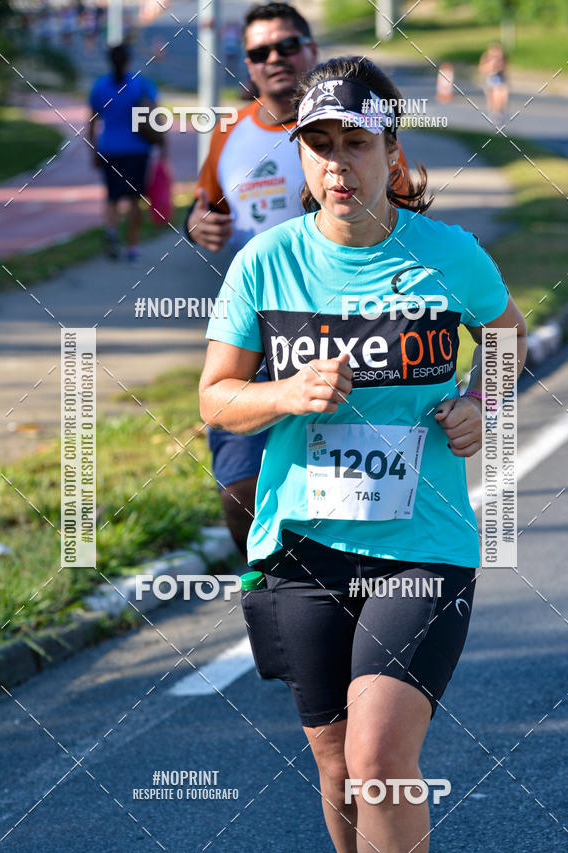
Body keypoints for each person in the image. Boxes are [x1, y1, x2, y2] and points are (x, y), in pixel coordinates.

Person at [199, 57, 527, 853]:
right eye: (319, 146)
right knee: (338, 763)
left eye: (356, 143)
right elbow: (217, 397)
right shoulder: (265, 264)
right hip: (304, 544)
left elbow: (507, 339)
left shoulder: (449, 255)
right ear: (299, 156)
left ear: (392, 152)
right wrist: (284, 391)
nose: (337, 165)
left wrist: (482, 404)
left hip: (424, 542)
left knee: (381, 754)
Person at [187, 2, 409, 558]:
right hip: (257, 332)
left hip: (350, 329)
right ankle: (283, 597)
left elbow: (404, 211)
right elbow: (203, 205)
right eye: (260, 52)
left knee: (358, 490)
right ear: (248, 65)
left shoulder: (355, 125)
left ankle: (355, 598)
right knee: (240, 492)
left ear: (311, 51)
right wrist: (199, 225)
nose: (275, 59)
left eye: (287, 46)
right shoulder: (229, 132)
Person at [88, 44, 164, 261]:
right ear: (129, 60)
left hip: (109, 148)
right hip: (137, 150)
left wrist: (94, 150)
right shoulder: (140, 85)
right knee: (133, 199)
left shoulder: (99, 87)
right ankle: (132, 247)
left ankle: (111, 232)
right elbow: (155, 116)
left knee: (111, 197)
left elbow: (92, 122)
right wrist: (162, 145)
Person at [479, 43, 509, 126]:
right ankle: (494, 113)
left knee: (503, 92)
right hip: (490, 79)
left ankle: (501, 111)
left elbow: (505, 71)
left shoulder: (502, 59)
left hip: (500, 80)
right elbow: (482, 70)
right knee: (495, 93)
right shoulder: (487, 58)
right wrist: (492, 65)